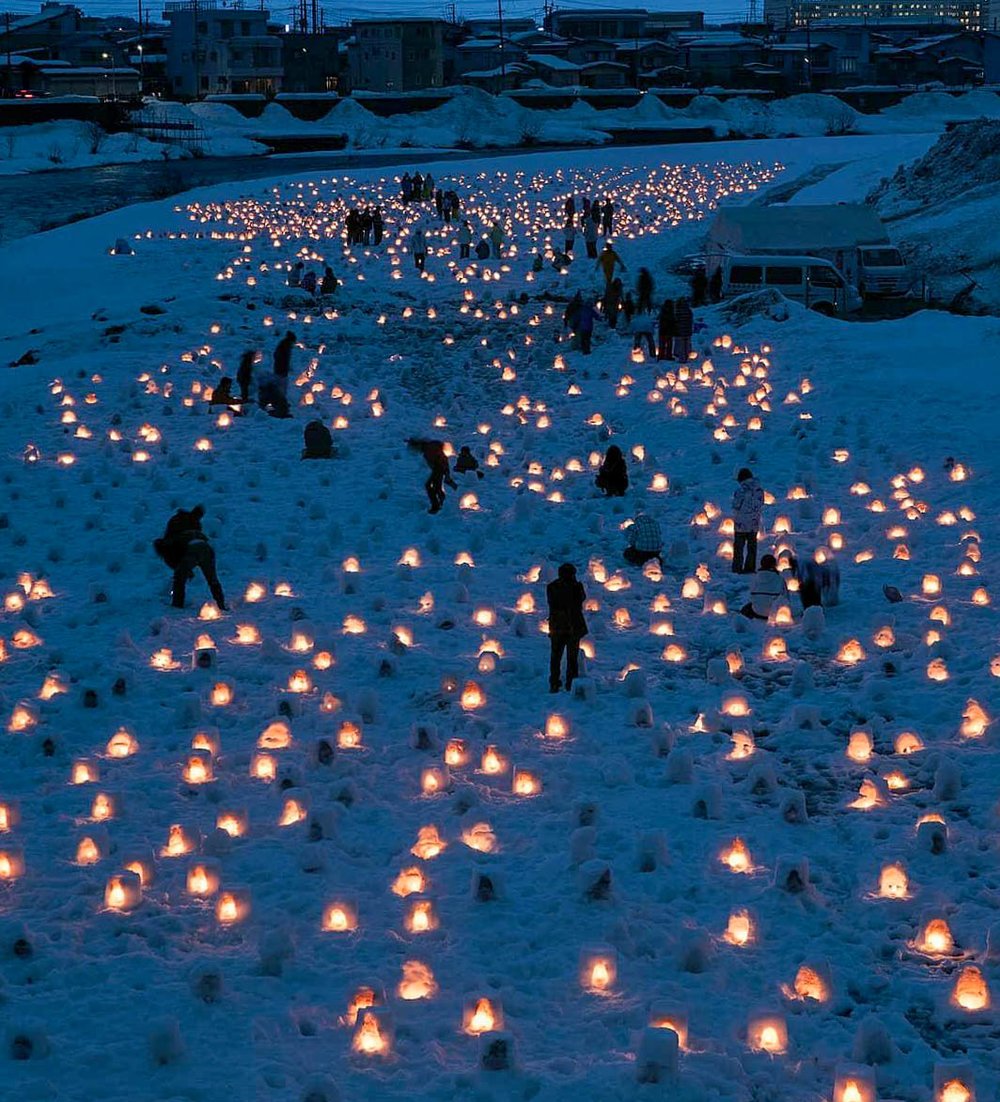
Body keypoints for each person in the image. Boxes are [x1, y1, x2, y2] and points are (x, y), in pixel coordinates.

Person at [154, 505, 227, 611]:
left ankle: (177, 606)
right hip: (206, 548)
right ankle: (221, 605)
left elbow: (176, 557)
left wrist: (184, 570)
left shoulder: (170, 539)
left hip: (191, 549)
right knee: (212, 579)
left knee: (179, 578)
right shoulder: (195, 523)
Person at [546, 563, 588, 693]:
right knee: (571, 658)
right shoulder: (576, 587)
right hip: (572, 627)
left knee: (555, 657)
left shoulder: (552, 587)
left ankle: (554, 682)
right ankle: (571, 683)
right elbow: (581, 599)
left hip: (557, 627)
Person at [408, 438, 457, 514]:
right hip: (439, 468)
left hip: (439, 468)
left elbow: (440, 459)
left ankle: (436, 506)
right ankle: (440, 502)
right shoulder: (429, 448)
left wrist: (445, 472)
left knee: (430, 486)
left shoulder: (429, 450)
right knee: (436, 486)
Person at [732, 467, 764, 575]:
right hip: (754, 524)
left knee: (739, 548)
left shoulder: (741, 491)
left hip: (741, 524)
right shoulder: (759, 490)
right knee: (752, 547)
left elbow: (736, 505)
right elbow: (761, 504)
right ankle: (750, 568)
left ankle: (737, 568)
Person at [741, 554, 785, 619]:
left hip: (757, 611)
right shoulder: (779, 578)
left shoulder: (755, 578)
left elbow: (752, 594)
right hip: (775, 612)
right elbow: (785, 596)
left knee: (746, 607)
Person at [673, 298, 693, 362]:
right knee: (687, 344)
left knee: (681, 345)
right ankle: (687, 356)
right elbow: (691, 320)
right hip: (687, 330)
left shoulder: (677, 311)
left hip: (680, 330)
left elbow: (675, 321)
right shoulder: (689, 311)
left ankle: (682, 359)